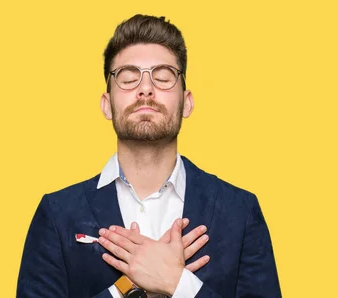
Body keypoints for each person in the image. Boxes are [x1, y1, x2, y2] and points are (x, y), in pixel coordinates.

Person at [16, 14, 281, 298]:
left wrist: (178, 284)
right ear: (107, 105)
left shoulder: (240, 211)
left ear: (186, 103)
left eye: (163, 77)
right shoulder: (57, 214)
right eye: (129, 78)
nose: (145, 89)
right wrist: (128, 286)